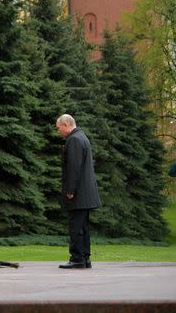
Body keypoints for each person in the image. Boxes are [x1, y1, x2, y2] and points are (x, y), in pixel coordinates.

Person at [57, 114, 101, 269]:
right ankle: (85, 258)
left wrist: (70, 190)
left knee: (76, 226)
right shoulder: (82, 137)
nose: (58, 131)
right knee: (83, 227)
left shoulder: (74, 140)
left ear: (67, 124)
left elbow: (74, 168)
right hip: (85, 193)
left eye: (59, 127)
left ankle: (77, 258)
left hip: (78, 193)